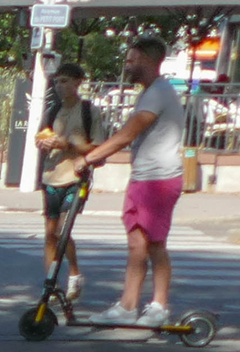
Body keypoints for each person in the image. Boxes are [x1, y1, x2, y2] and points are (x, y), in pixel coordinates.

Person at [75, 36, 185, 326]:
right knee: (137, 243)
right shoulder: (150, 92)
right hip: (144, 178)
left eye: (132, 60)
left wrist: (88, 158)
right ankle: (128, 305)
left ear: (149, 60)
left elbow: (128, 133)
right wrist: (98, 155)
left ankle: (159, 306)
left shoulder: (158, 93)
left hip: (158, 180)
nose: (127, 65)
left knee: (155, 244)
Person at [33, 61, 102, 301]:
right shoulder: (53, 111)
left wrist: (70, 145)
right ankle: (50, 282)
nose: (59, 86)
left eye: (64, 81)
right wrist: (44, 141)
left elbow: (97, 147)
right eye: (57, 82)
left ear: (77, 82)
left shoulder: (88, 111)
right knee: (50, 231)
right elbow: (40, 136)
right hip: (51, 176)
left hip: (75, 178)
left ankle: (74, 273)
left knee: (63, 229)